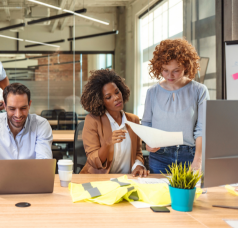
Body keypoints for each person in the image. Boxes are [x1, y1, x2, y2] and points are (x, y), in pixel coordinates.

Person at [142, 38, 210, 174]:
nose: (170, 76)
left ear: (186, 66)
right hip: (159, 155)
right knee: (159, 193)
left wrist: (198, 159)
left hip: (190, 155)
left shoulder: (199, 90)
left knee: (189, 194)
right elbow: (147, 123)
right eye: (165, 70)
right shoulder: (152, 92)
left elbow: (203, 129)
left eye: (176, 70)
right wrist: (148, 142)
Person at [0, 83, 53, 190]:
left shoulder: (41, 125)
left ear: (29, 104)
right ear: (4, 105)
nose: (18, 115)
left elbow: (43, 163)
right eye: (12, 109)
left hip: (33, 186)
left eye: (23, 108)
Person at [79, 69, 148, 177]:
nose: (116, 98)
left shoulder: (133, 120)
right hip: (99, 179)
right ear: (100, 101)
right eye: (108, 97)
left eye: (117, 92)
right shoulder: (92, 120)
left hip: (127, 179)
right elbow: (93, 161)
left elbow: (138, 153)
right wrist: (107, 143)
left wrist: (138, 165)